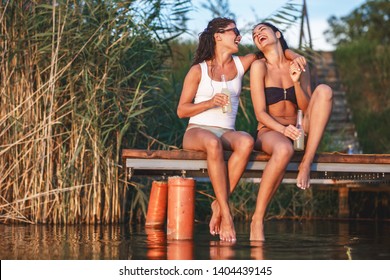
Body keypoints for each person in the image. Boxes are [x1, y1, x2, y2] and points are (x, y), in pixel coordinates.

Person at [177, 18, 305, 242]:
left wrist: (294, 56)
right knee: (212, 143)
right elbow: (181, 110)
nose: (239, 36)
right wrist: (209, 103)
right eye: (234, 31)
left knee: (246, 140)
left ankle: (219, 202)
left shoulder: (241, 64)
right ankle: (226, 213)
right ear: (218, 36)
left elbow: (274, 51)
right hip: (197, 130)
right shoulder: (198, 71)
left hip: (226, 131)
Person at [249, 22, 333, 241]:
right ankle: (257, 219)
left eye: (262, 30)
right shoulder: (259, 67)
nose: (258, 34)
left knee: (324, 90)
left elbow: (306, 107)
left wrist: (296, 81)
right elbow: (260, 113)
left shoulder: (297, 64)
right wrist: (283, 129)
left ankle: (307, 161)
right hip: (270, 129)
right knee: (284, 149)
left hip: (298, 128)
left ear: (277, 34)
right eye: (254, 34)